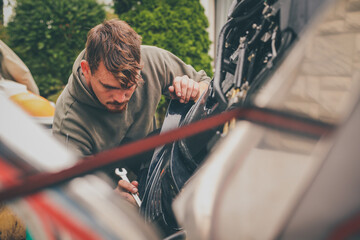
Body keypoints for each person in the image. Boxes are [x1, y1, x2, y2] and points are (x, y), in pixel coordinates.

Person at [52, 19, 210, 205]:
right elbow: (71, 193)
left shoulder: (153, 61)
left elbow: (207, 85)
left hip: (154, 169)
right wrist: (110, 198)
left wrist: (195, 89)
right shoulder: (69, 122)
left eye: (128, 87)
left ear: (140, 66)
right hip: (109, 195)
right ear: (87, 70)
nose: (120, 98)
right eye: (109, 87)